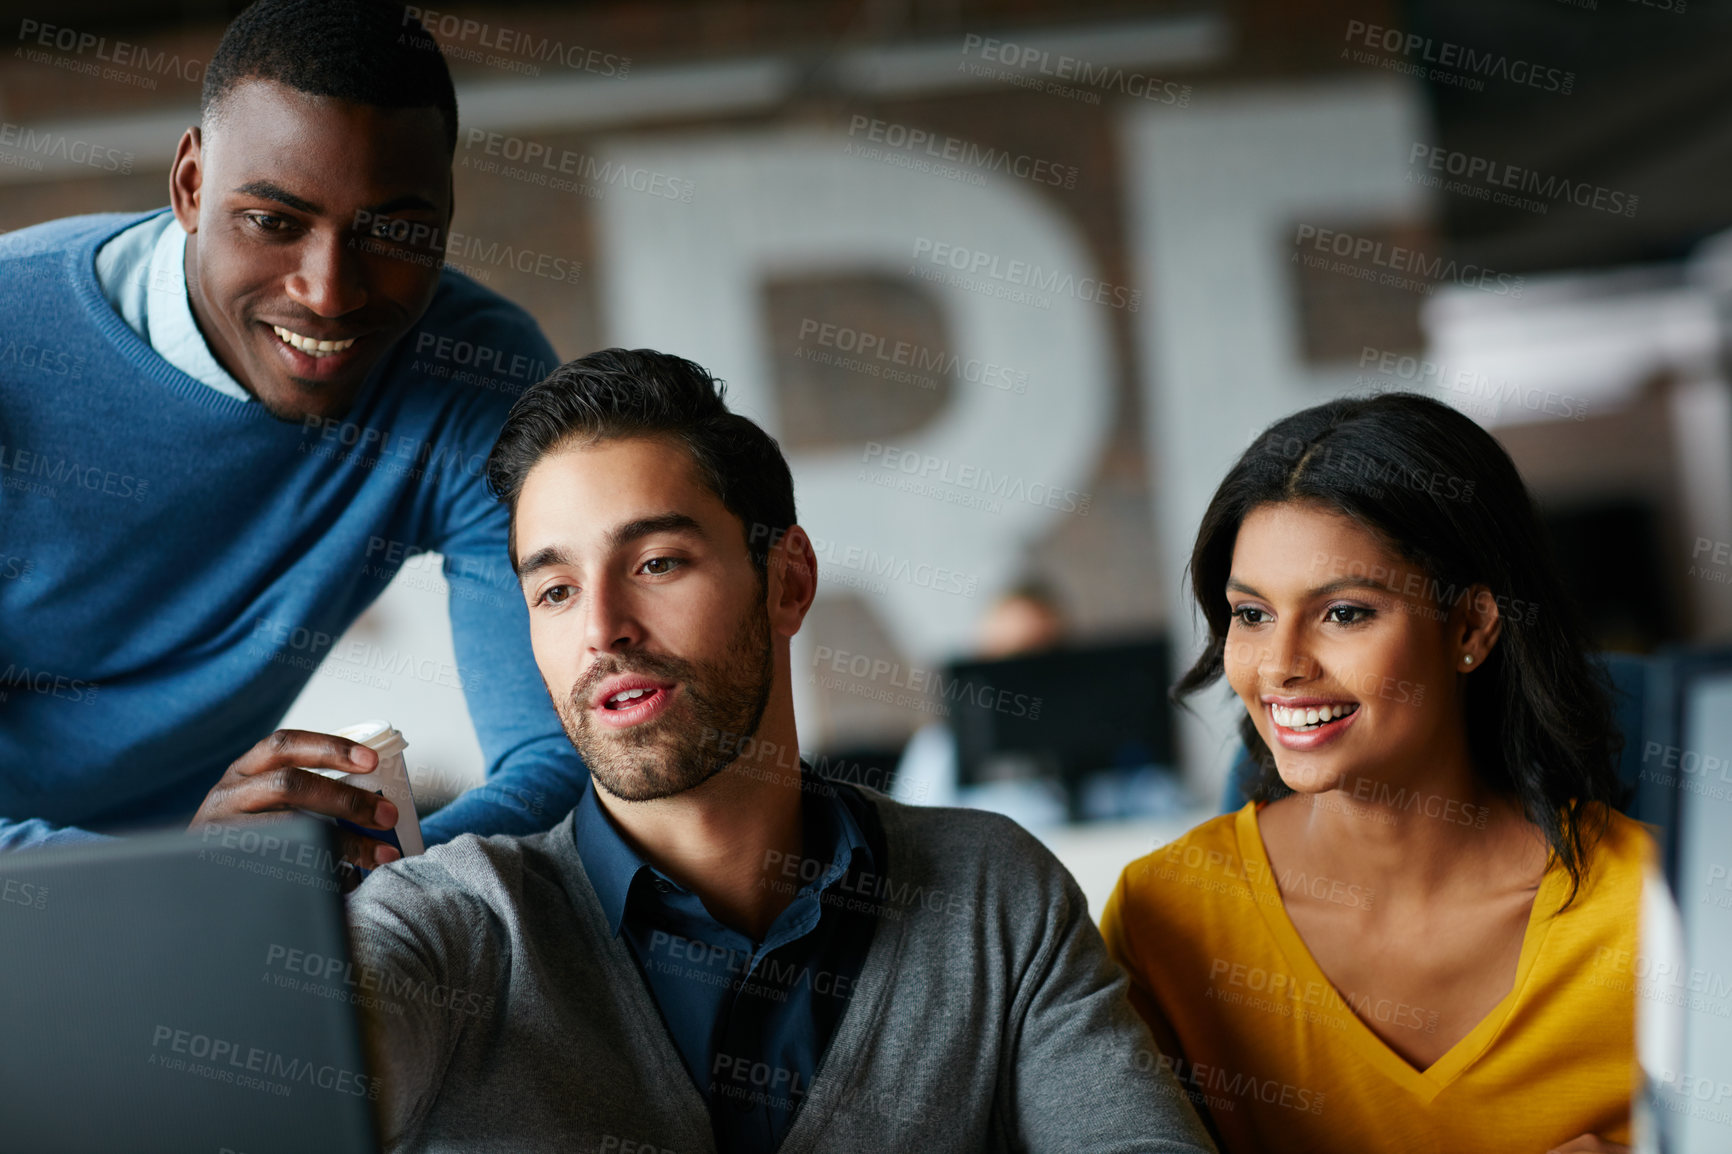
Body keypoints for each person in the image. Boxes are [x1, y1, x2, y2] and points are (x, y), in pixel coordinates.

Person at [345, 348, 1219, 1153]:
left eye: (656, 563)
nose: (602, 631)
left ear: (789, 580)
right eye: (556, 590)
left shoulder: (993, 895)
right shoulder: (449, 923)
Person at [0, 0, 585, 863]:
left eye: (395, 233)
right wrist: (168, 878)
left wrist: (333, 873)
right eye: (273, 222)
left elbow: (560, 756)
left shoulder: (476, 376)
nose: (329, 291)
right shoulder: (16, 344)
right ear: (191, 186)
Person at [1101, 393, 1649, 1154]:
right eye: (1251, 615)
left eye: (1345, 613)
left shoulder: (1655, 907)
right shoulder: (1168, 915)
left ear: (1471, 626)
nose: (1282, 666)